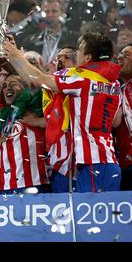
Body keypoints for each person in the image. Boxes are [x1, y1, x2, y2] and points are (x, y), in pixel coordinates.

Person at [4, 32, 123, 193]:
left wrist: (17, 56)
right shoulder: (114, 83)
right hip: (110, 162)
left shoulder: (81, 78)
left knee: (87, 218)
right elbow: (116, 121)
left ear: (87, 58)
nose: (77, 54)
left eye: (79, 50)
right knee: (107, 217)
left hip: (92, 162)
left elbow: (39, 79)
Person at [0, 74, 49, 194]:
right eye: (4, 86)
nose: (7, 88)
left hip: (35, 183)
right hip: (4, 185)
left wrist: (41, 122)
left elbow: (38, 86)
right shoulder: (2, 115)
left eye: (13, 84)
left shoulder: (35, 108)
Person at [43, 46, 77, 193]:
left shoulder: (84, 82)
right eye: (58, 57)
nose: (60, 60)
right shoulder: (48, 88)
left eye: (66, 57)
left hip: (81, 153)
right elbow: (49, 118)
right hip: (59, 153)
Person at [21, 0, 79, 71]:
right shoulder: (30, 41)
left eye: (54, 11)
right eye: (47, 11)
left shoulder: (74, 39)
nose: (50, 14)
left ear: (62, 13)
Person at [115, 40, 132, 190]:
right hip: (126, 166)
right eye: (119, 55)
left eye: (127, 55)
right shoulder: (116, 91)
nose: (119, 58)